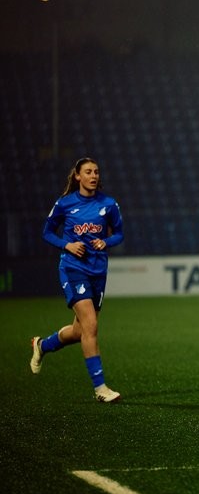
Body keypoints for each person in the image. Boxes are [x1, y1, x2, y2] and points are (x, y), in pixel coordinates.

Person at [30, 157, 124, 402]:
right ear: (78, 176)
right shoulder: (65, 203)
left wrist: (106, 241)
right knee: (91, 325)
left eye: (96, 171)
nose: (93, 176)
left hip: (98, 271)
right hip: (73, 268)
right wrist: (67, 245)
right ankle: (100, 389)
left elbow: (119, 234)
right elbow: (47, 232)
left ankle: (42, 345)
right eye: (88, 172)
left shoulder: (109, 204)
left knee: (79, 330)